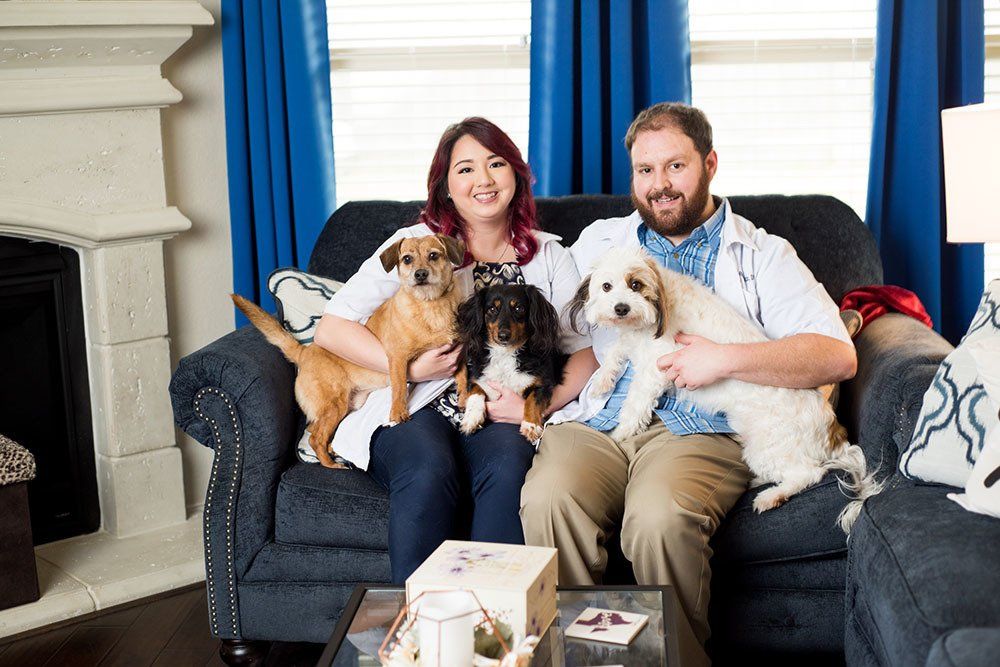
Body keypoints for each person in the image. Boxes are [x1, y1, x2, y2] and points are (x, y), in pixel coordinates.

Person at [519, 103, 857, 666]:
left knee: (659, 517)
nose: (659, 186)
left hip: (702, 428)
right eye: (645, 171)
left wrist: (725, 358)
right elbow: (547, 319)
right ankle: (580, 656)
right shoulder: (602, 242)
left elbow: (835, 356)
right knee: (548, 497)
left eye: (675, 167)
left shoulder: (763, 254)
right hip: (604, 419)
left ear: (709, 163)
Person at [313, 117, 597, 582]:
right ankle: (425, 635)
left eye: (496, 164)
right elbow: (332, 327)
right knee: (427, 471)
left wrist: (533, 405)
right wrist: (411, 368)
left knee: (508, 469)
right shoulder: (416, 248)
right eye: (465, 169)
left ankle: (493, 631)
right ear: (445, 186)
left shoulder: (549, 257)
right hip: (417, 403)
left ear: (517, 176)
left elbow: (587, 349)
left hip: (499, 404)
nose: (483, 180)